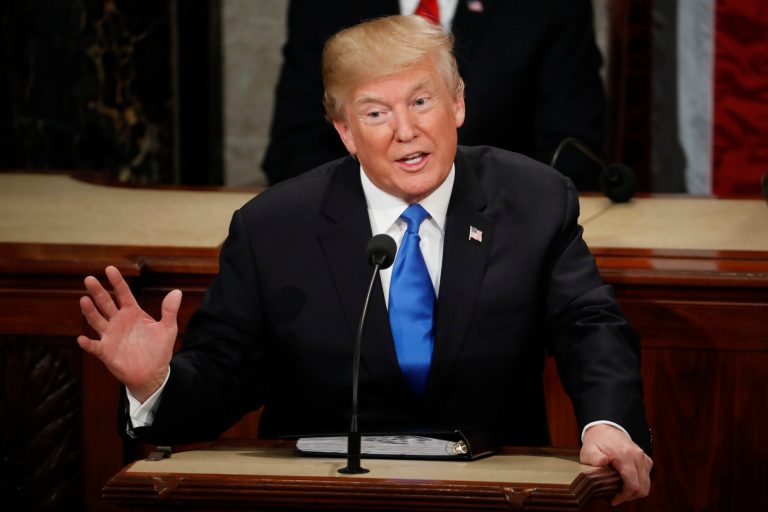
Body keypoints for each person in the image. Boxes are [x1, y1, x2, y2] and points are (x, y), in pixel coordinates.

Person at [78, 15, 652, 505]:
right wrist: (156, 383)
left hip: (492, 495)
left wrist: (608, 422)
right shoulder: (274, 228)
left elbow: (588, 325)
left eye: (421, 101)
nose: (406, 131)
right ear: (345, 131)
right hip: (322, 500)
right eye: (375, 113)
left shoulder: (534, 200)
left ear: (457, 104)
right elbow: (225, 374)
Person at [262, 0, 606, 190]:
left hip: (503, 224)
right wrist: (375, 210)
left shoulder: (549, 7)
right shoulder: (322, 7)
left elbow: (572, 151)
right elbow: (294, 148)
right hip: (359, 228)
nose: (406, 132)